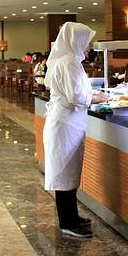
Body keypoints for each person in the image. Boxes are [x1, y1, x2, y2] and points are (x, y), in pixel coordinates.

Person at [43, 22, 108, 238]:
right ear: (76, 40)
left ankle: (72, 216)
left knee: (69, 172)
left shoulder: (66, 60)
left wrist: (91, 95)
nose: (89, 47)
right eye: (87, 42)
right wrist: (98, 98)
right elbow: (76, 97)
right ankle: (67, 223)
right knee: (64, 174)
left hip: (66, 123)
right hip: (65, 125)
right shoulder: (70, 62)